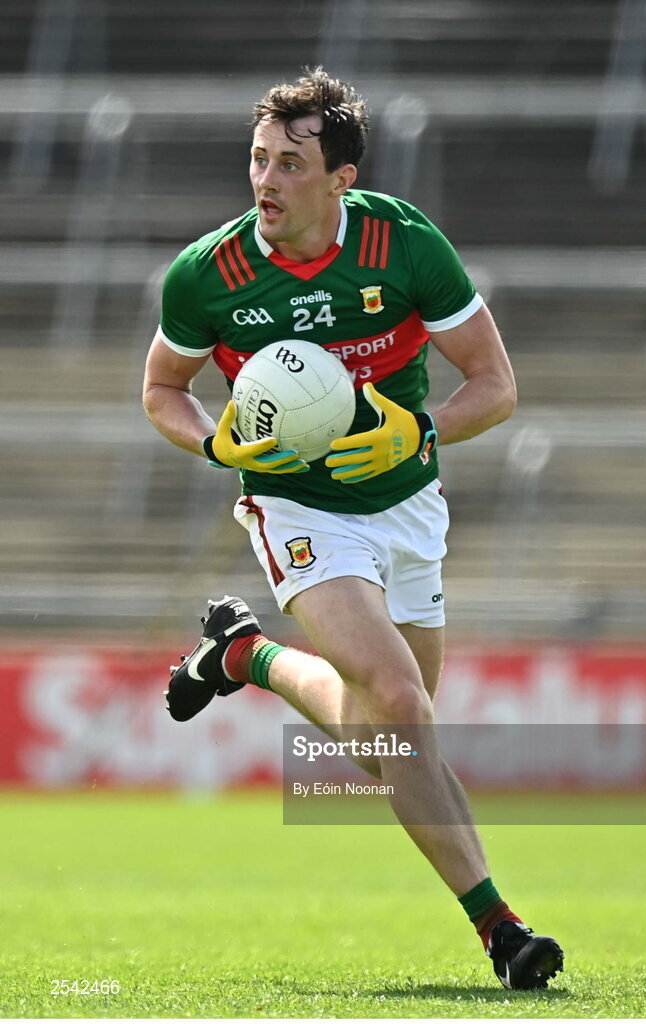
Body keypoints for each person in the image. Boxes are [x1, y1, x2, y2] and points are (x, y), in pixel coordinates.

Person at [142, 67, 564, 991]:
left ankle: (245, 657)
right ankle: (500, 927)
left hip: (407, 501)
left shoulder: (402, 245)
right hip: (294, 506)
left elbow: (494, 387)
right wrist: (216, 443)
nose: (266, 180)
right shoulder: (209, 274)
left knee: (388, 746)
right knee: (396, 699)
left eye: (291, 163)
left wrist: (417, 429)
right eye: (258, 159)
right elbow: (160, 391)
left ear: (340, 178)